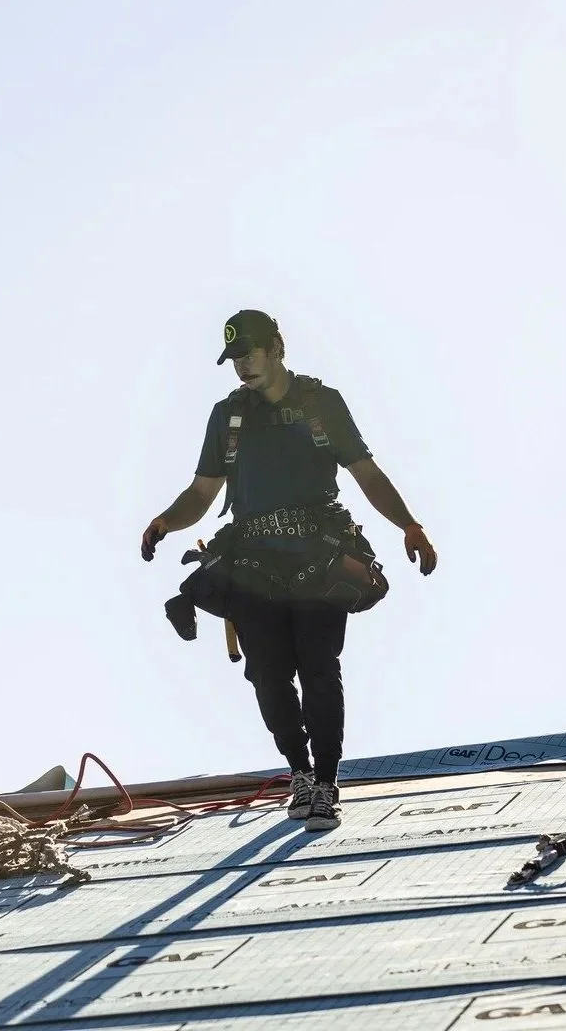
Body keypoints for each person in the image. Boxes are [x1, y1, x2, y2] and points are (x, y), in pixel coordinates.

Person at [141, 310, 436, 831]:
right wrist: (165, 521)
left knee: (319, 665)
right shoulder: (228, 416)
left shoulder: (322, 403)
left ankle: (326, 783)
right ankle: (299, 773)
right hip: (253, 562)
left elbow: (366, 474)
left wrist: (409, 525)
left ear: (277, 346)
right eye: (233, 358)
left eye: (249, 353)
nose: (241, 365)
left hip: (319, 558)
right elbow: (203, 492)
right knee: (268, 673)